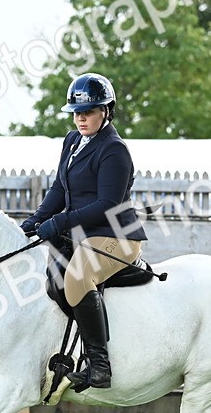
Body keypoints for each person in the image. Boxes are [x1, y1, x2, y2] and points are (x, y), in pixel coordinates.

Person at [20, 73, 147, 390]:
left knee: (77, 276)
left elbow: (107, 203)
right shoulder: (72, 141)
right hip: (83, 234)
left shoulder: (114, 150)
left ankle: (99, 365)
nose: (81, 118)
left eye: (88, 112)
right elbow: (60, 188)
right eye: (77, 113)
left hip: (117, 236)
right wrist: (37, 218)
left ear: (106, 111)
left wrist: (60, 222)